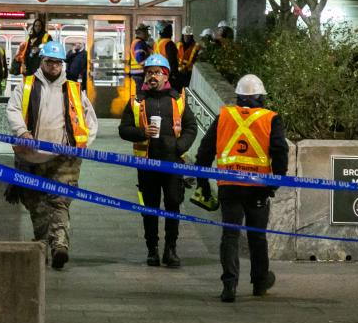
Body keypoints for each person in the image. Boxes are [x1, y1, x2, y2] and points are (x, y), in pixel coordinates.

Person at [195, 74, 288, 303]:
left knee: (230, 236)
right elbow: (280, 151)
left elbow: (205, 150)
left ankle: (229, 286)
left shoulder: (224, 116)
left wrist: (202, 182)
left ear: (238, 96)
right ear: (261, 97)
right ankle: (260, 283)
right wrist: (275, 183)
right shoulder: (271, 119)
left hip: (229, 187)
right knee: (257, 236)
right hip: (258, 188)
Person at [6, 41, 98, 270]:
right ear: (42, 62)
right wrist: (22, 132)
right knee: (35, 202)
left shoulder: (74, 90)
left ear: (63, 64)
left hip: (64, 157)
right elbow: (13, 109)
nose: (54, 66)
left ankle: (59, 246)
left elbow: (89, 120)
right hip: (30, 156)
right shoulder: (26, 86)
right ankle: (42, 245)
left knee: (59, 201)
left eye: (58, 62)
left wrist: (81, 144)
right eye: (50, 61)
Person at [118, 53, 198, 268]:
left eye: (157, 72)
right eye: (149, 72)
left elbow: (191, 127)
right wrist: (141, 132)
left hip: (172, 164)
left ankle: (170, 250)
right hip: (146, 164)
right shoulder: (136, 101)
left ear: (166, 76)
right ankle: (152, 249)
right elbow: (123, 130)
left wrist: (180, 147)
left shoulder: (178, 100)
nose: (152, 76)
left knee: (173, 204)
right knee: (150, 208)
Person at [153, 24, 181, 89]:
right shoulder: (169, 43)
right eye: (171, 31)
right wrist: (174, 74)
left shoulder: (156, 43)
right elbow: (172, 60)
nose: (172, 33)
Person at [126, 23, 151, 93]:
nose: (148, 34)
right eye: (146, 32)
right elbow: (140, 60)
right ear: (141, 33)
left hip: (137, 75)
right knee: (140, 96)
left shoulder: (136, 42)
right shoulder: (139, 44)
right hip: (139, 75)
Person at [176, 25, 200, 90]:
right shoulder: (178, 45)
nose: (186, 37)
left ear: (191, 36)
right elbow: (176, 57)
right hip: (178, 71)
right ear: (183, 35)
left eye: (188, 36)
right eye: (185, 36)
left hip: (188, 72)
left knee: (186, 89)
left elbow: (195, 60)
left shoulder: (196, 46)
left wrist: (185, 67)